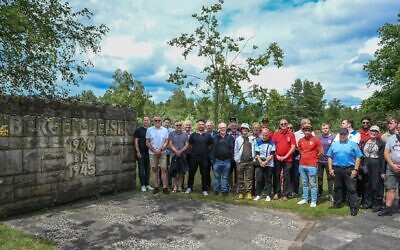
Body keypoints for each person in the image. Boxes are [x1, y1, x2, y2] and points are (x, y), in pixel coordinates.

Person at [327, 128, 363, 216]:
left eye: (344, 134)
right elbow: (329, 157)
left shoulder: (353, 144)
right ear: (339, 134)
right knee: (337, 187)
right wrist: (330, 169)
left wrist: (355, 169)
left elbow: (358, 157)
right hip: (337, 168)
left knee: (351, 189)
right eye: (341, 134)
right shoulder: (334, 144)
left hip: (349, 169)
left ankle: (354, 207)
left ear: (347, 135)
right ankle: (337, 203)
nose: (342, 136)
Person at [296, 124, 323, 208]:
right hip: (302, 165)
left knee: (313, 184)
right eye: (305, 130)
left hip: (312, 165)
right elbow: (300, 150)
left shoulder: (316, 140)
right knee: (304, 183)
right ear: (303, 131)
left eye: (309, 130)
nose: (307, 132)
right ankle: (305, 198)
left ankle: (313, 201)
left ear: (311, 131)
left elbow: (321, 152)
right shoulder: (300, 140)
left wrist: (314, 158)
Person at [361, 125, 385, 211]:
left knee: (376, 185)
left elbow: (383, 158)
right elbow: (362, 154)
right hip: (366, 164)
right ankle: (367, 203)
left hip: (376, 164)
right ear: (369, 131)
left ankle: (377, 205)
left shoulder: (381, 143)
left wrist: (382, 171)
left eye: (375, 131)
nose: (373, 133)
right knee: (367, 185)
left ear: (378, 133)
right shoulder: (365, 141)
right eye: (372, 131)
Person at [186, 119, 213, 196]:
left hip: (204, 158)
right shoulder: (193, 135)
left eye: (202, 124)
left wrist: (206, 151)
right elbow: (190, 145)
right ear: (197, 125)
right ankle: (189, 187)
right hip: (194, 157)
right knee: (191, 172)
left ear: (204, 125)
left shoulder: (208, 135)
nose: (201, 125)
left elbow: (210, 145)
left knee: (204, 174)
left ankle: (204, 189)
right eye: (199, 124)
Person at [272, 119, 296, 201]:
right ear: (279, 125)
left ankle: (285, 194)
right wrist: (277, 155)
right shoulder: (276, 134)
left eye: (285, 123)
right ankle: (277, 193)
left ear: (287, 124)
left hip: (288, 159)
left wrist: (285, 156)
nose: (283, 125)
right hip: (277, 158)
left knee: (287, 176)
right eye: (281, 124)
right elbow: (273, 146)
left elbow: (293, 147)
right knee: (276, 175)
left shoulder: (291, 134)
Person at [145, 116, 170, 194]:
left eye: (159, 120)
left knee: (164, 169)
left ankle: (165, 187)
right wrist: (154, 150)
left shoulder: (165, 130)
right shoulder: (149, 130)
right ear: (153, 121)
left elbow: (166, 141)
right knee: (154, 169)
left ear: (161, 121)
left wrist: (161, 149)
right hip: (152, 153)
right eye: (156, 120)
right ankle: (156, 187)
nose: (157, 121)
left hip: (162, 152)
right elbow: (147, 142)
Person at [378, 131, 400, 216]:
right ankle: (388, 208)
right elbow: (386, 153)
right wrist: (392, 165)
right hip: (392, 167)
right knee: (390, 188)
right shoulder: (391, 138)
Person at [211, 122, 234, 196]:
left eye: (224, 127)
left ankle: (224, 191)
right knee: (217, 177)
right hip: (217, 161)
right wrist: (213, 159)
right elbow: (212, 149)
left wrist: (231, 159)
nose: (222, 129)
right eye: (221, 128)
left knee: (225, 177)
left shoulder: (230, 138)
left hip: (227, 161)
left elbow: (233, 149)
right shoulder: (215, 137)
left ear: (226, 128)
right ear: (219, 129)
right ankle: (216, 190)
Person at [234, 123, 256, 199]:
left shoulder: (252, 138)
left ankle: (249, 192)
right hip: (240, 161)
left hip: (250, 161)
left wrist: (254, 159)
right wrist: (237, 160)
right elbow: (236, 150)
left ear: (248, 130)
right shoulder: (238, 139)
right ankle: (241, 192)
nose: (245, 130)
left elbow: (255, 149)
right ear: (241, 130)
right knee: (240, 178)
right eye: (243, 129)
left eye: (246, 129)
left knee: (249, 178)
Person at [254, 128, 275, 202]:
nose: (264, 136)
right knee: (259, 179)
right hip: (260, 162)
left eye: (266, 135)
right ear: (261, 134)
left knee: (268, 180)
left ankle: (268, 195)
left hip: (269, 163)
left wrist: (266, 162)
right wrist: (261, 162)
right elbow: (257, 153)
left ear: (268, 135)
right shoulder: (258, 142)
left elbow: (272, 154)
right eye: (263, 135)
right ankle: (258, 194)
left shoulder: (272, 143)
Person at [293, 118, 313, 198]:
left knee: (308, 176)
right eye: (308, 123)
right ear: (302, 124)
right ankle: (295, 191)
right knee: (296, 175)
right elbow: (294, 145)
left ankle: (307, 192)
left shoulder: (312, 133)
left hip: (308, 159)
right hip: (298, 158)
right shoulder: (296, 134)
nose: (309, 125)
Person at [168, 120, 189, 193]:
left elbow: (186, 144)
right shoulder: (171, 134)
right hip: (173, 155)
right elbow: (170, 144)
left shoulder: (185, 134)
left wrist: (181, 151)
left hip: (182, 155)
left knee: (181, 171)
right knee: (174, 171)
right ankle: (175, 186)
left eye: (180, 125)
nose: (179, 126)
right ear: (175, 126)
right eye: (177, 125)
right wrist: (176, 151)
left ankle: (180, 186)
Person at [134, 116, 153, 192]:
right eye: (145, 120)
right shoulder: (138, 130)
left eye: (147, 120)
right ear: (143, 121)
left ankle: (147, 184)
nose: (146, 121)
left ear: (149, 121)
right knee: (141, 169)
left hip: (149, 153)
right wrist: (138, 152)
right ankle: (142, 185)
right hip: (141, 153)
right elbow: (136, 142)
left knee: (148, 169)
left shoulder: (151, 130)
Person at [317, 123, 335, 201]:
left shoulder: (333, 138)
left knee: (330, 178)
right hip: (320, 161)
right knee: (320, 177)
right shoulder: (319, 137)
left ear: (329, 129)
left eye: (326, 128)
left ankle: (330, 194)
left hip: (329, 161)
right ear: (321, 129)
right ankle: (320, 192)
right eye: (323, 128)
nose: (325, 130)